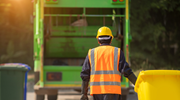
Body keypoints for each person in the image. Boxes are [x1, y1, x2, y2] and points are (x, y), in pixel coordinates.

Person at [80, 26, 137, 100]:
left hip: (97, 92)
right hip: (113, 91)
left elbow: (85, 75)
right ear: (111, 39)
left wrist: (84, 94)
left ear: (98, 40)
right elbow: (126, 71)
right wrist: (137, 83)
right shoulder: (117, 52)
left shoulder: (92, 53)